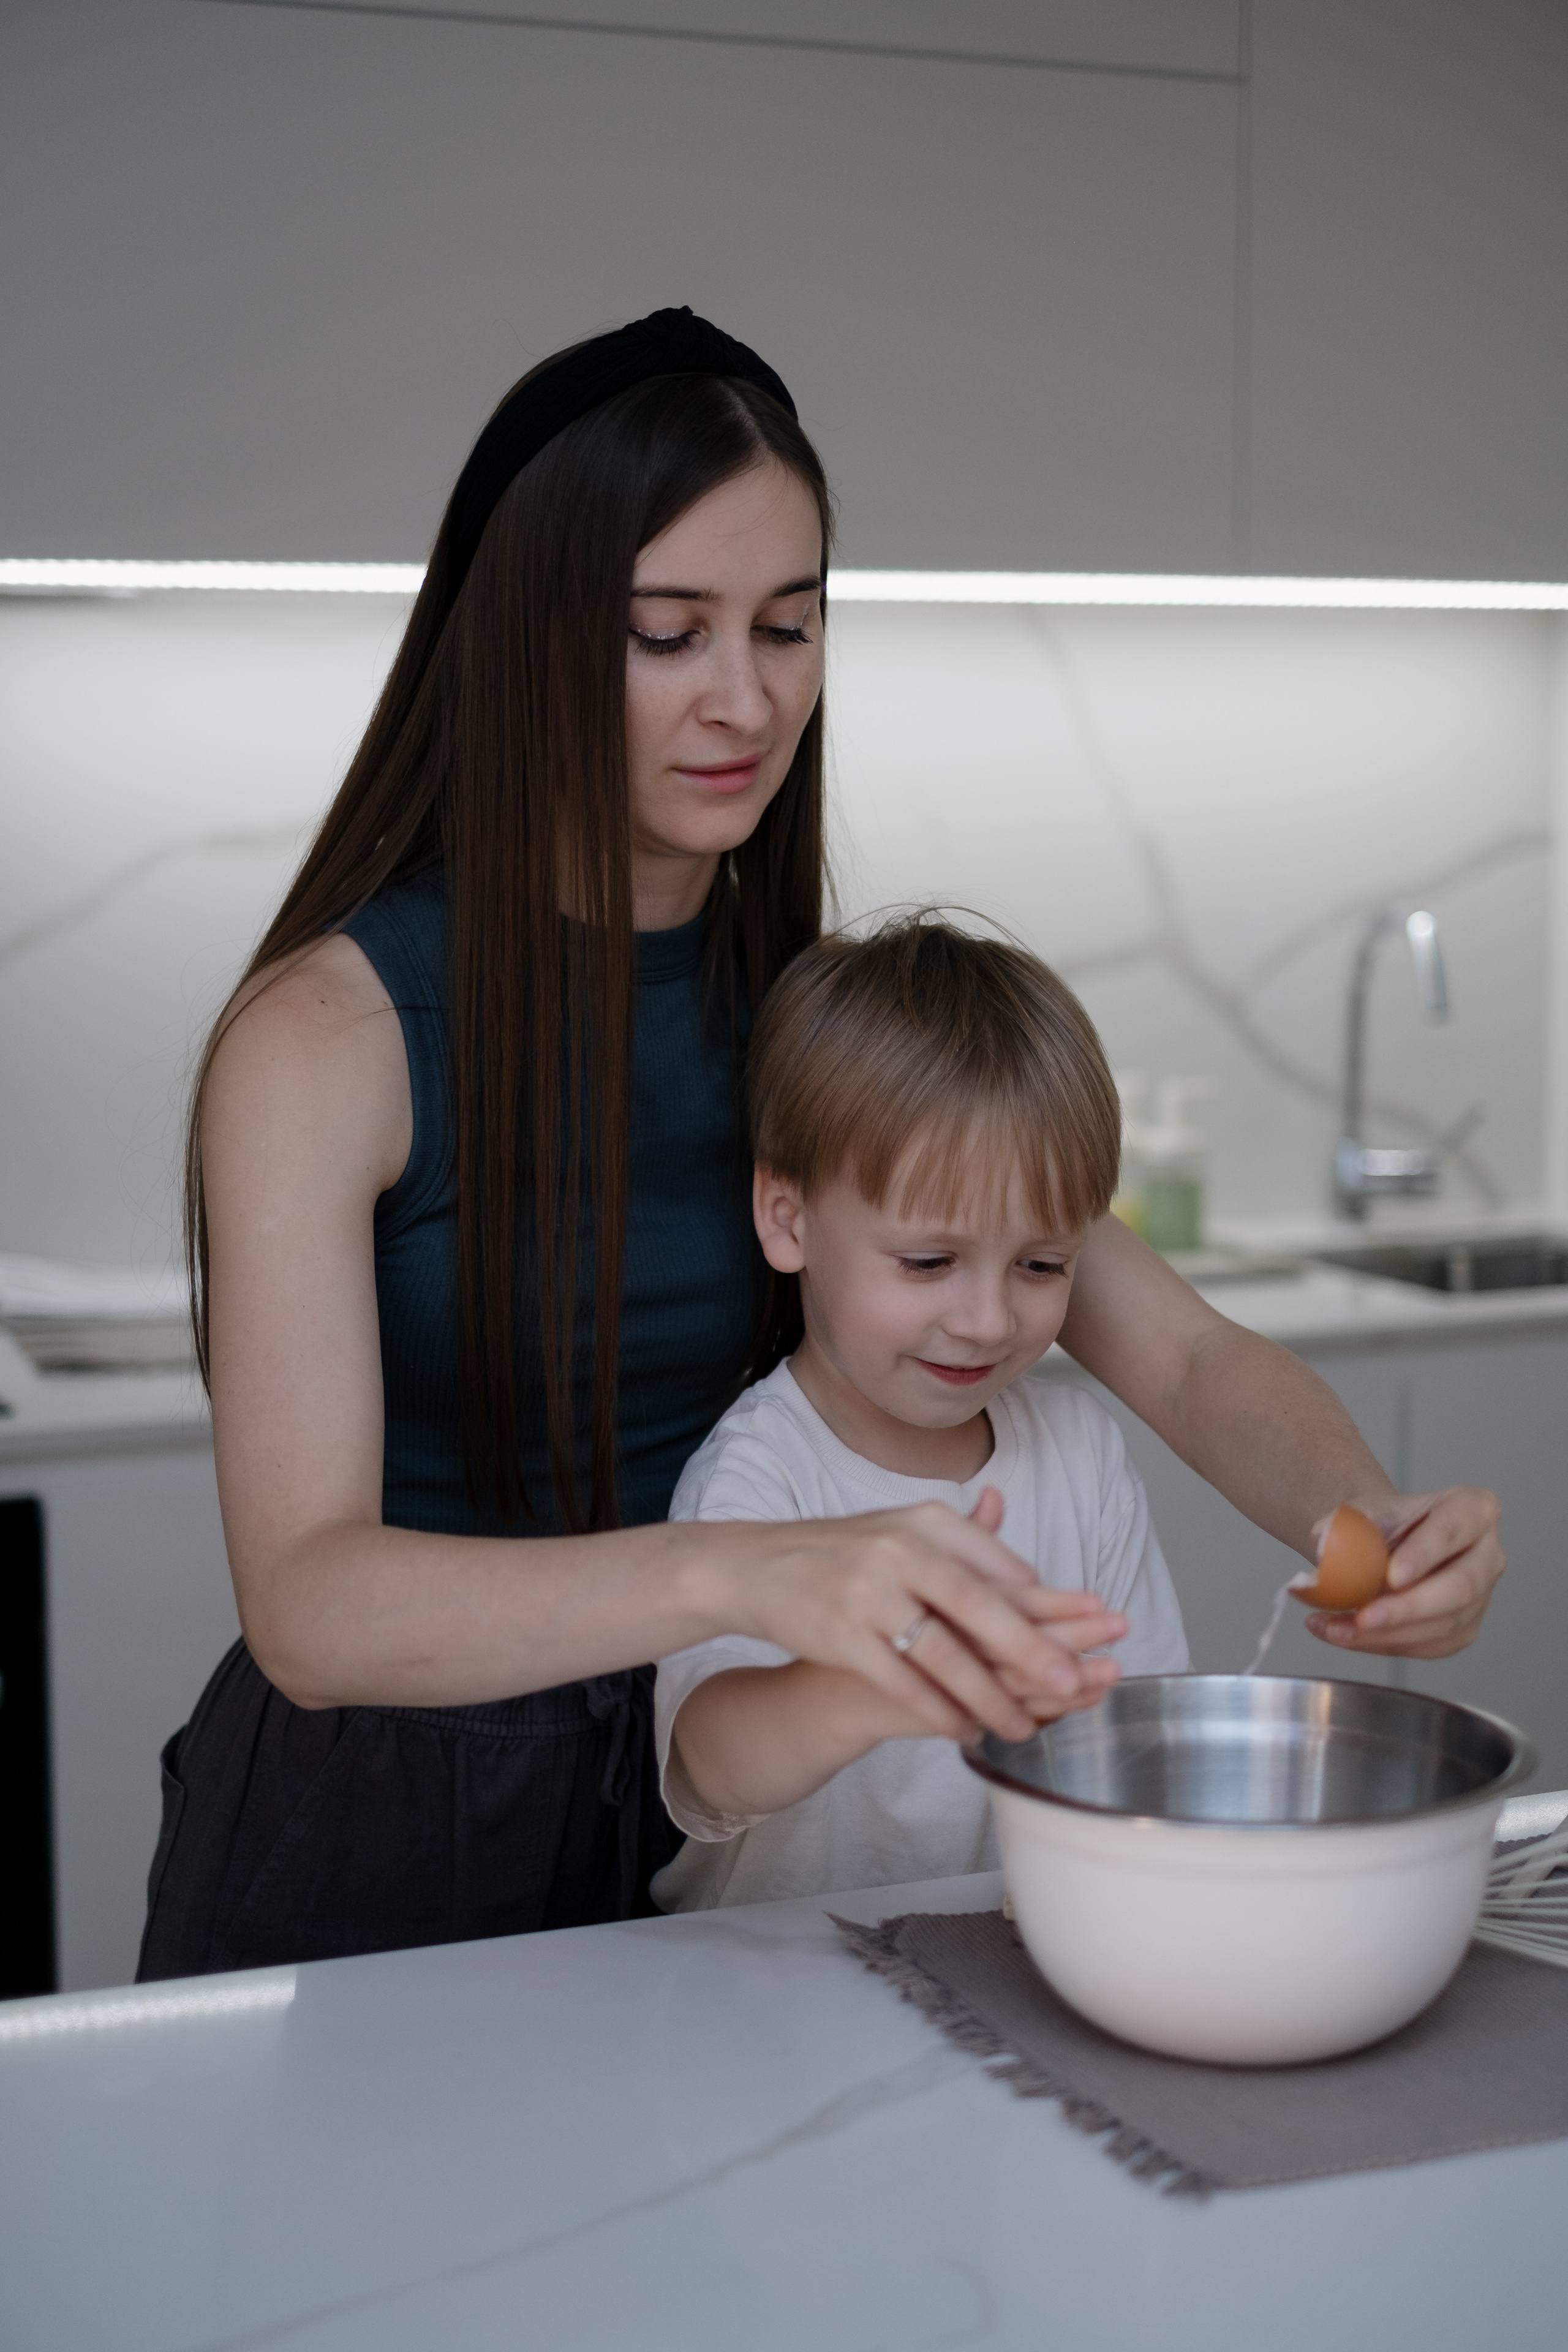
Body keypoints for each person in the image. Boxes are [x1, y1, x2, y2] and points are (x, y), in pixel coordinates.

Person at [137, 307, 1506, 1981]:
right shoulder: (327, 1036)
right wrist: (756, 1572)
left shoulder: (806, 1016)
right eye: (668, 634)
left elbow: (1186, 1358)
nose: (747, 698)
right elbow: (310, 1604)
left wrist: (1367, 1519)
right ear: (527, 642)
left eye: (789, 627)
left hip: (719, 1812)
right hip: (386, 1837)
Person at [652, 915, 1189, 1910]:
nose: (988, 1321)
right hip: (769, 1982)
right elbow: (711, 1768)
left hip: (1012, 1963)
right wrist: (884, 1686)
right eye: (930, 1262)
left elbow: (1142, 1747)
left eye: (1042, 1265)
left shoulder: (1082, 1456)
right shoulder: (761, 1475)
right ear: (788, 1220)